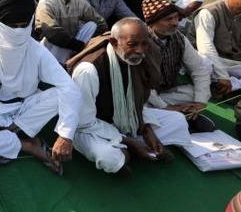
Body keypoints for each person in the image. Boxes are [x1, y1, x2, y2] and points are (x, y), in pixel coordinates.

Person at [0, 0, 82, 176]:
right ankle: (27, 145)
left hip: (27, 107)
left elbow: (68, 87)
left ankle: (10, 133)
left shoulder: (36, 49)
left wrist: (66, 135)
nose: (18, 32)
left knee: (62, 94)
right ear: (0, 25)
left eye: (23, 26)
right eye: (12, 27)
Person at [67, 18, 191, 174]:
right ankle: (129, 151)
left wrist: (147, 130)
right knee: (108, 157)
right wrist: (128, 141)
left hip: (127, 120)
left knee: (178, 120)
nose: (140, 50)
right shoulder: (89, 70)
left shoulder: (138, 59)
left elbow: (138, 102)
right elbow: (83, 121)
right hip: (92, 127)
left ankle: (132, 149)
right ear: (114, 42)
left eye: (144, 44)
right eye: (132, 44)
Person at [140, 0, 214, 132]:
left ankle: (170, 115)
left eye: (176, 17)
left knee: (197, 93)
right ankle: (169, 115)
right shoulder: (140, 40)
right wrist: (165, 107)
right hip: (145, 94)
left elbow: (199, 70)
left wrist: (200, 102)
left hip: (167, 92)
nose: (175, 23)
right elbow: (140, 82)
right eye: (168, 19)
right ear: (152, 22)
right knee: (139, 106)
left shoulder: (179, 38)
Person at [36, 0, 107, 63]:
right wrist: (81, 46)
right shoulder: (47, 1)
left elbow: (99, 22)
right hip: (53, 45)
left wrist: (94, 43)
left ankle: (74, 58)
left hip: (73, 42)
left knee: (92, 25)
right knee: (57, 40)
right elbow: (53, 33)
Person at [187, 0, 241, 99]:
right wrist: (222, 75)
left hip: (231, 62)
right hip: (206, 59)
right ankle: (225, 85)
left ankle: (229, 87)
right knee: (205, 65)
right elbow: (206, 48)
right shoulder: (209, 12)